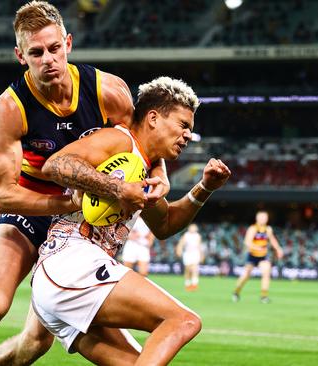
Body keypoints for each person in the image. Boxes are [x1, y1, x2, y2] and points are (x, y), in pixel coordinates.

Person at [0, 2, 170, 365]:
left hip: (78, 225)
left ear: (68, 43)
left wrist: (159, 179)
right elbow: (3, 197)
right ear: (21, 55)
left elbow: (145, 146)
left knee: (36, 343)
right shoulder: (10, 107)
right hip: (29, 210)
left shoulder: (108, 91)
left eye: (54, 49)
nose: (48, 59)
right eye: (36, 52)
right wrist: (71, 204)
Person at [31, 76, 231, 364]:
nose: (188, 135)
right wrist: (117, 188)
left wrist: (205, 188)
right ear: (153, 118)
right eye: (183, 125)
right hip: (70, 262)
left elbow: (165, 225)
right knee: (182, 321)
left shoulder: (144, 166)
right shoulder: (120, 140)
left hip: (67, 279)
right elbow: (57, 164)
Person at [232, 211, 284, 303]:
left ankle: (264, 296)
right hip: (252, 255)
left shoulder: (268, 229)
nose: (263, 219)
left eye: (265, 217)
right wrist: (257, 248)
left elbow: (272, 240)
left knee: (266, 273)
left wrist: (278, 249)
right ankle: (236, 292)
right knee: (246, 275)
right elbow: (247, 242)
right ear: (257, 218)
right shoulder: (253, 229)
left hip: (263, 256)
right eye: (262, 217)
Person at [175, 223, 204, 291]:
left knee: (194, 269)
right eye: (192, 227)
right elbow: (181, 244)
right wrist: (179, 250)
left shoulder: (198, 236)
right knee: (187, 270)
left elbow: (200, 246)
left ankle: (194, 285)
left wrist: (202, 255)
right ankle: (187, 284)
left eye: (194, 227)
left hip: (195, 253)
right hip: (187, 254)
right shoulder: (186, 235)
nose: (193, 229)